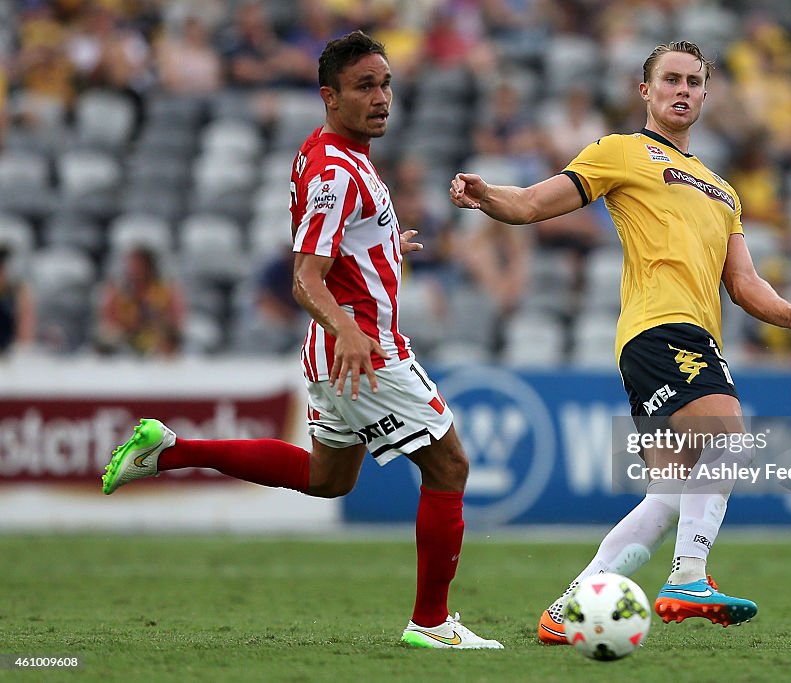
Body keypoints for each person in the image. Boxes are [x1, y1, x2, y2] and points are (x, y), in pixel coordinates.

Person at [101, 31, 502, 651]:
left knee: (326, 478)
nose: (381, 97)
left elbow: (335, 247)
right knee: (450, 465)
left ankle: (170, 451)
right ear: (329, 96)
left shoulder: (327, 150)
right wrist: (346, 325)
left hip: (339, 345)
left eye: (386, 83)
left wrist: (386, 247)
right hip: (364, 347)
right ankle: (432, 624)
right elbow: (303, 277)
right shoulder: (337, 170)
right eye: (364, 86)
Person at [449, 40, 791, 644]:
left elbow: (743, 282)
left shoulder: (721, 190)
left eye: (693, 81)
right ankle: (689, 577)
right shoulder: (622, 153)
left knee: (667, 496)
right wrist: (487, 197)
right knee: (730, 440)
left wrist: (789, 313)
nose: (682, 90)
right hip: (660, 329)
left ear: (707, 94)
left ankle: (570, 608)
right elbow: (531, 203)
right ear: (646, 91)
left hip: (687, 334)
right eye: (671, 79)